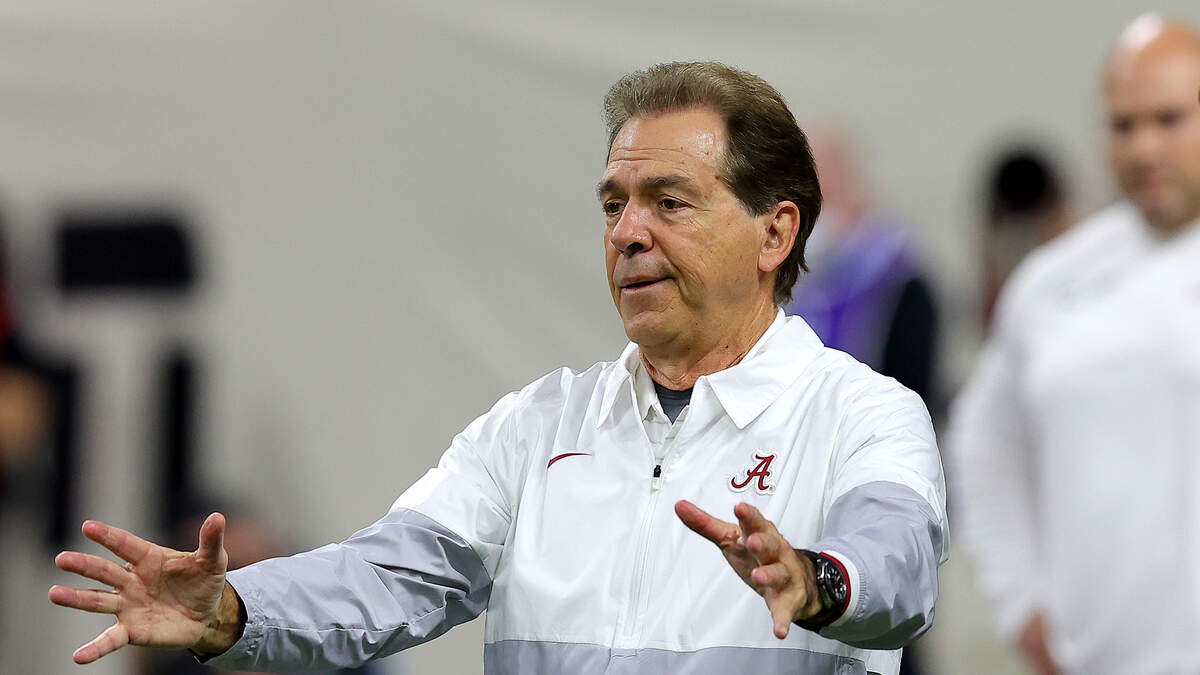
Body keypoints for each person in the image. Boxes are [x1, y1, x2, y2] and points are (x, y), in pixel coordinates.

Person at [50, 62, 947, 675]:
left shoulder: (863, 414)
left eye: (669, 201)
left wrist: (819, 579)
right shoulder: (537, 426)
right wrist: (235, 610)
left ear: (775, 232)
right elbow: (388, 574)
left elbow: (900, 564)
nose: (628, 232)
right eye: (614, 204)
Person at [950, 15, 1200, 675]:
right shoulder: (1053, 283)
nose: (1144, 147)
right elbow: (983, 443)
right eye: (1123, 125)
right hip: (1096, 658)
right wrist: (1018, 599)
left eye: (1169, 119)